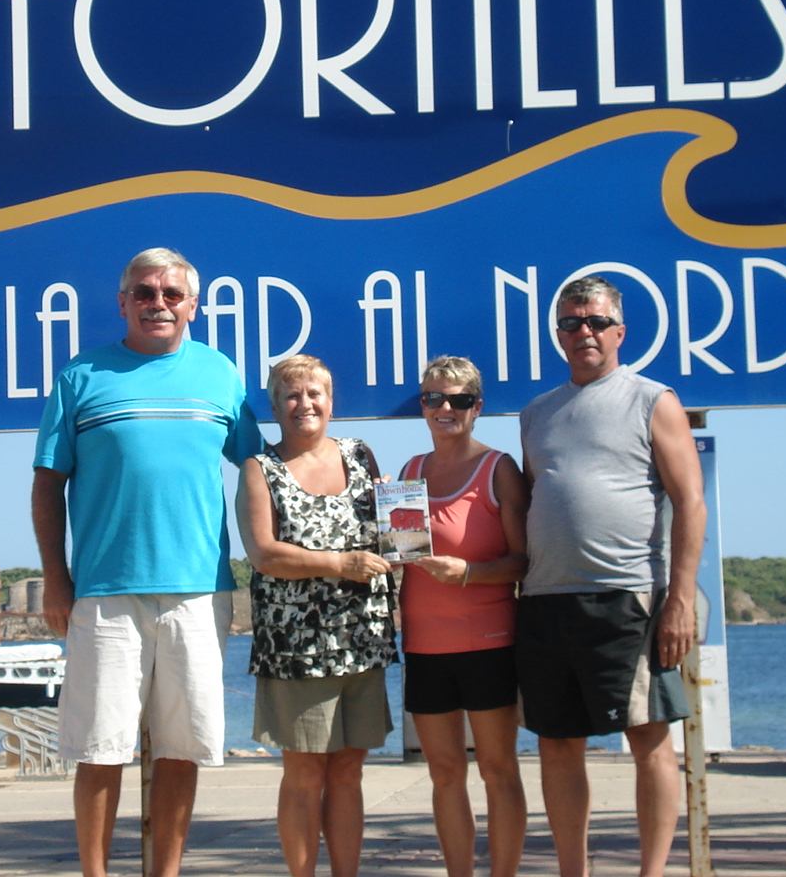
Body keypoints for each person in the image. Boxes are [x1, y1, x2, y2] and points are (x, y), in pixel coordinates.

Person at [32, 247, 263, 877]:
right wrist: (56, 578)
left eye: (171, 294)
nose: (157, 303)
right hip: (104, 592)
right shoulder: (80, 376)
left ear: (192, 305)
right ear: (123, 302)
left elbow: (259, 469)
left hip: (201, 592)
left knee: (182, 751)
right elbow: (47, 485)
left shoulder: (220, 373)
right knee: (100, 750)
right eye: (144, 292)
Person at [517, 275, 706, 877]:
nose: (585, 332)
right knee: (556, 744)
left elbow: (691, 502)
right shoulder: (535, 413)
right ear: (558, 334)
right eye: (572, 323)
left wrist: (679, 601)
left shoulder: (653, 400)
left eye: (596, 322)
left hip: (628, 599)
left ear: (619, 331)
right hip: (545, 602)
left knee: (649, 740)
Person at [238, 355, 397, 877]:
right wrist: (339, 564)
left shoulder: (360, 454)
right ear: (274, 406)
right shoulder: (260, 469)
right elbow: (264, 554)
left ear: (331, 402)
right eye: (292, 395)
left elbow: (387, 536)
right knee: (305, 773)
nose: (304, 404)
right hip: (297, 647)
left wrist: (400, 519)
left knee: (349, 771)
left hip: (363, 638)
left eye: (314, 394)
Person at [398, 356, 529, 877]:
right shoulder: (409, 472)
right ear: (423, 406)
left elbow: (523, 562)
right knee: (445, 772)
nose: (445, 409)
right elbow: (401, 554)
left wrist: (469, 573)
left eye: (458, 400)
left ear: (477, 407)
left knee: (498, 770)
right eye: (434, 398)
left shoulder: (499, 469)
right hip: (424, 646)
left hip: (488, 643)